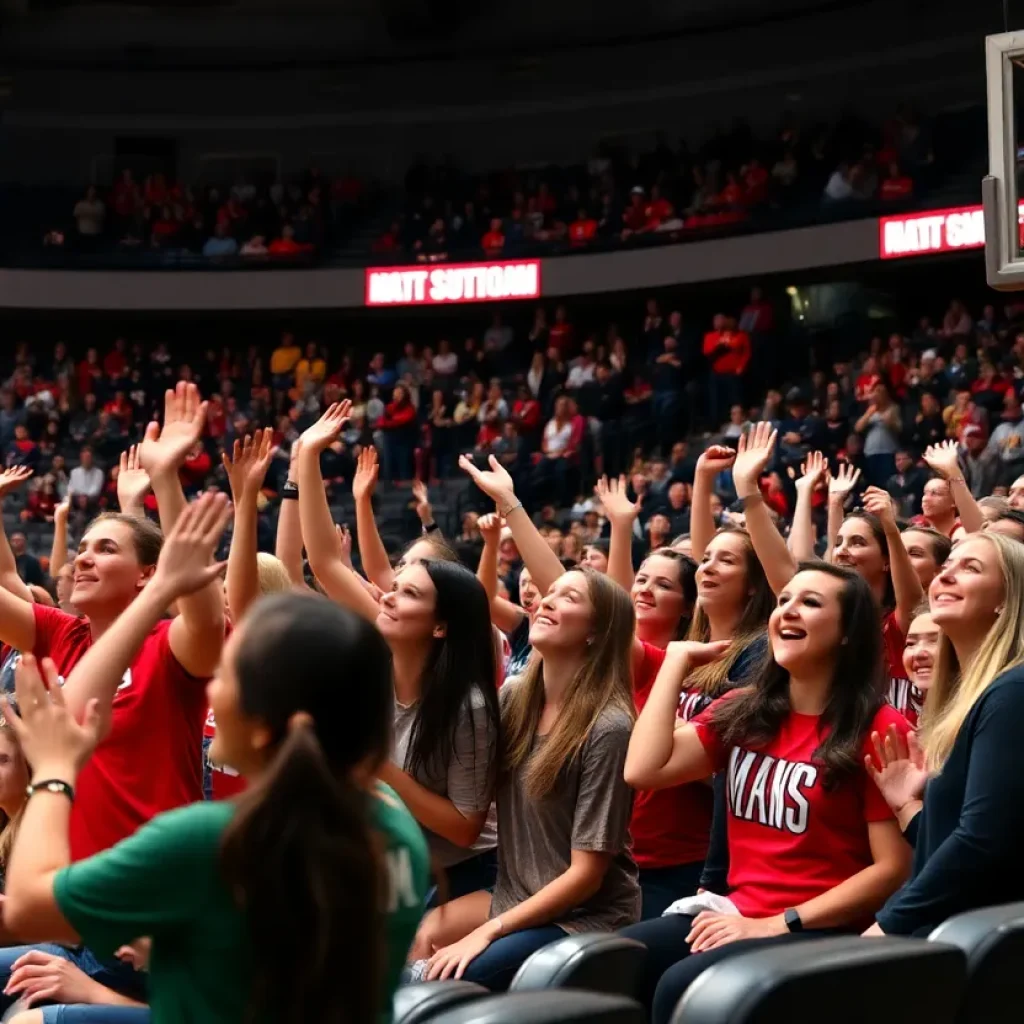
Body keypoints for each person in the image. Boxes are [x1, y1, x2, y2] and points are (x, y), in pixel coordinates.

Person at [1, 499, 429, 1024]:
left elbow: (25, 906)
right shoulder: (392, 828)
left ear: (284, 722)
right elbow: (268, 962)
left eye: (232, 677)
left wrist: (52, 771)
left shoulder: (216, 838)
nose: (212, 691)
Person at [620, 562, 911, 1024]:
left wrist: (778, 923)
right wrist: (674, 663)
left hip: (822, 929)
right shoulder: (744, 710)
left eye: (810, 603)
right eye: (784, 601)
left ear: (846, 634)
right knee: (615, 961)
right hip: (736, 911)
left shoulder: (881, 727)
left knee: (680, 985)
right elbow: (643, 769)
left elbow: (892, 868)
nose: (788, 612)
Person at [410, 455, 640, 990]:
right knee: (411, 950)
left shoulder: (607, 725)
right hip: (514, 896)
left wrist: (487, 933)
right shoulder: (514, 696)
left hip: (582, 915)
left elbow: (587, 875)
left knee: (439, 982)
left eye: (569, 598)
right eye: (547, 596)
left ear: (594, 634)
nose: (545, 602)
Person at [0, 382, 226, 862]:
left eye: (105, 549)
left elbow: (205, 617)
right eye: (82, 549)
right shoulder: (61, 631)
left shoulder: (170, 644)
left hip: (152, 893)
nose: (81, 560)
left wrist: (166, 476)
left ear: (149, 575)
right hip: (68, 890)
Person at [297, 404, 502, 900]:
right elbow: (324, 561)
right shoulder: (384, 648)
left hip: (465, 875)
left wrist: (378, 767)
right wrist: (306, 458)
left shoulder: (466, 706)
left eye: (408, 593)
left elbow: (464, 829)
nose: (385, 593)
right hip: (397, 863)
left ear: (439, 628)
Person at [867, 532, 1024, 937]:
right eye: (947, 566)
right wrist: (909, 809)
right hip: (955, 932)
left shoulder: (1013, 692)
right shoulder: (978, 696)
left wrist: (886, 926)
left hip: (972, 946)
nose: (946, 575)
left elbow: (982, 845)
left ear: (1007, 600)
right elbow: (971, 842)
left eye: (970, 568)